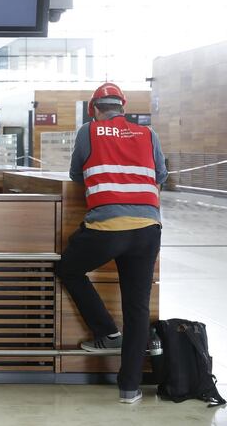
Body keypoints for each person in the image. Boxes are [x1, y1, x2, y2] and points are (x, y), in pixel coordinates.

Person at [55, 83, 167, 405]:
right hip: (148, 228)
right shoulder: (148, 135)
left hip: (106, 227)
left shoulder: (88, 131)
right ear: (123, 107)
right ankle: (129, 389)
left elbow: (77, 174)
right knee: (137, 308)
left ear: (94, 108)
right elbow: (160, 174)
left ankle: (106, 332)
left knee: (69, 268)